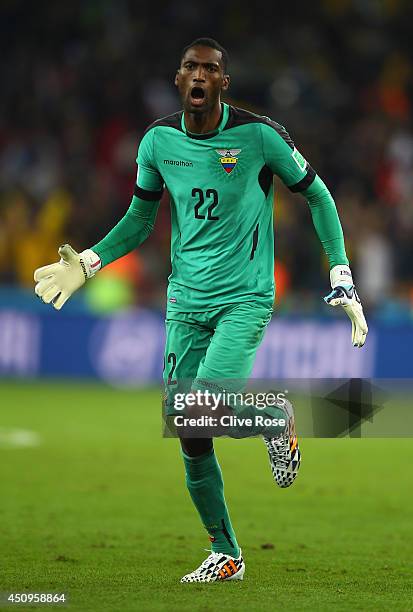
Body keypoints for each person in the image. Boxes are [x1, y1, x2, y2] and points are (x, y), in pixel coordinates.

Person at [34, 38, 368, 583]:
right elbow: (140, 221)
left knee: (203, 406)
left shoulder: (260, 136)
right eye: (190, 66)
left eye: (210, 69)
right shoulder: (157, 142)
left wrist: (340, 272)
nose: (199, 75)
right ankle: (227, 554)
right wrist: (91, 261)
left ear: (222, 84)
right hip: (185, 301)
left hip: (244, 297)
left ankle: (273, 418)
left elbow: (320, 197)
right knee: (186, 427)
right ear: (178, 78)